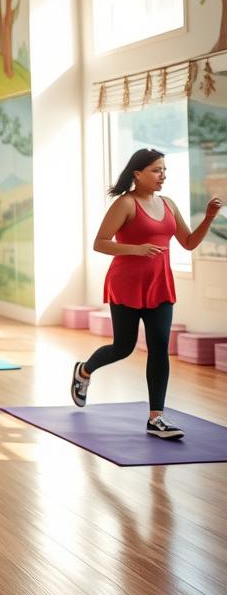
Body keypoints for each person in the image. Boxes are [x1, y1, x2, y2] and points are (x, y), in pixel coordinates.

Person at [71, 149, 223, 439]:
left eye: (164, 169)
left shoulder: (168, 204)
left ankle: (156, 418)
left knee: (159, 347)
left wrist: (208, 218)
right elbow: (100, 243)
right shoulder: (125, 204)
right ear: (137, 174)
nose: (162, 175)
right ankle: (84, 371)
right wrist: (136, 249)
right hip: (126, 284)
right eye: (156, 170)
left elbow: (189, 242)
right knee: (123, 347)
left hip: (160, 285)